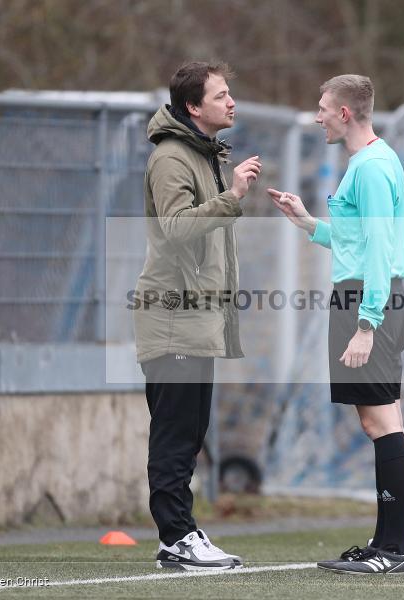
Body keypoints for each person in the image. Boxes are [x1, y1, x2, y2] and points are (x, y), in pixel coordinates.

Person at [267, 74, 404, 575]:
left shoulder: (370, 168)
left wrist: (367, 322)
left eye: (323, 108)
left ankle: (392, 550)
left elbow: (377, 252)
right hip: (369, 297)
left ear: (345, 114)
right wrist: (307, 222)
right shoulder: (374, 160)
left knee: (380, 421)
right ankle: (390, 542)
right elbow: (355, 243)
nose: (317, 116)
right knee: (385, 419)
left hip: (367, 303)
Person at [133, 61, 262, 571]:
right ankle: (176, 538)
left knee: (189, 434)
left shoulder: (203, 154)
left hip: (196, 320)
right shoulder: (171, 158)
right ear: (194, 106)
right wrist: (231, 198)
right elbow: (175, 229)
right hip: (171, 319)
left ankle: (181, 535)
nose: (232, 102)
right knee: (175, 435)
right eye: (221, 95)